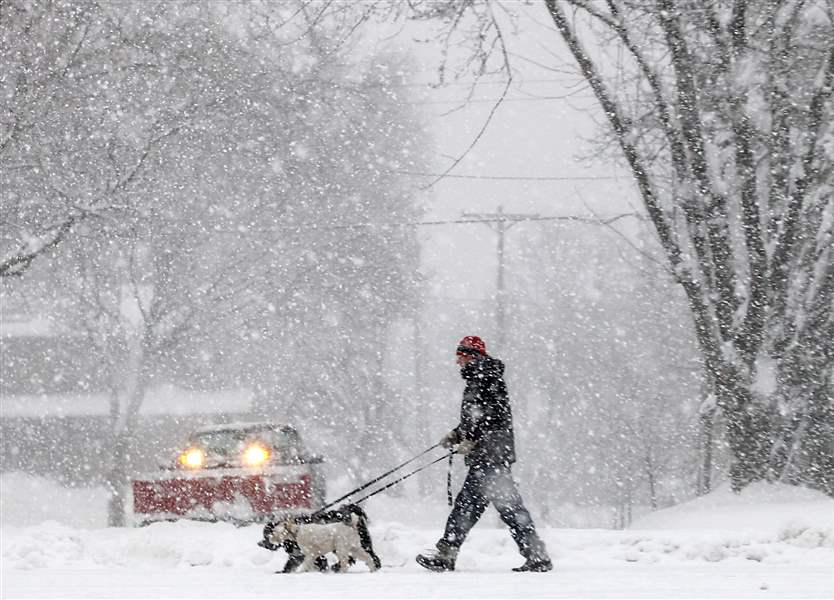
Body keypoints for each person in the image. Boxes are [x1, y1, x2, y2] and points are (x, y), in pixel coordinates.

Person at [416, 335, 552, 573]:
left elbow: (489, 417)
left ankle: (447, 554)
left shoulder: (483, 376)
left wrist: (472, 440)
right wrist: (457, 435)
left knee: (478, 507)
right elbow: (477, 419)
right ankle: (536, 555)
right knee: (499, 507)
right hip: (491, 454)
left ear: (471, 356)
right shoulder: (481, 377)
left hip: (490, 455)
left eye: (460, 357)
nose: (458, 362)